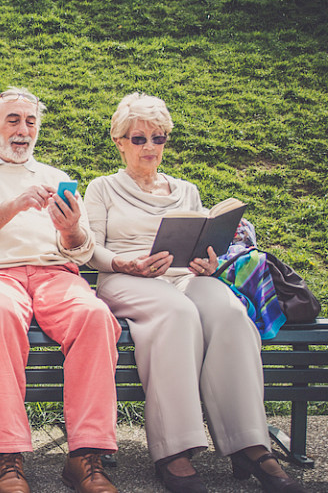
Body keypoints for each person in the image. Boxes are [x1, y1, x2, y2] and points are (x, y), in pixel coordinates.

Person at [83, 93, 308, 493]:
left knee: (230, 313)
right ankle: (175, 449)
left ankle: (250, 443)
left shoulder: (186, 190)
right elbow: (91, 250)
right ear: (119, 141)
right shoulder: (103, 188)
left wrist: (206, 262)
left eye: (159, 138)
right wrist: (124, 264)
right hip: (126, 277)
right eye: (139, 139)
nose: (150, 147)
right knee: (178, 313)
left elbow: (204, 246)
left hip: (184, 275)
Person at [0, 87, 121, 493]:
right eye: (13, 120)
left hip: (54, 274)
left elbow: (81, 252)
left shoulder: (57, 178)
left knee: (95, 317)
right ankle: (7, 457)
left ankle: (86, 456)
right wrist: (15, 203)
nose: (23, 130)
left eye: (30, 122)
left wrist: (71, 228)